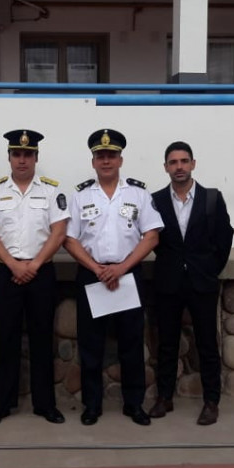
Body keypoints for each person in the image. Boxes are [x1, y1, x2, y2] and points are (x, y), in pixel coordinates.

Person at [64, 129, 163, 426]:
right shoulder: (80, 195)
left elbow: (152, 237)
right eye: (100, 156)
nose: (106, 160)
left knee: (131, 344)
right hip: (92, 275)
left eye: (111, 155)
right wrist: (97, 269)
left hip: (127, 275)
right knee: (90, 346)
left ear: (121, 159)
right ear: (93, 161)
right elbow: (69, 240)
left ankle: (134, 404)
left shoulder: (139, 194)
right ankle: (91, 405)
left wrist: (120, 269)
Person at [0, 129, 70, 426]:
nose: (22, 160)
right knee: (5, 340)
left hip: (41, 272)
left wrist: (34, 265)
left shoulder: (51, 191)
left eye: (28, 154)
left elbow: (59, 233)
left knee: (43, 339)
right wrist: (13, 265)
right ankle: (0, 405)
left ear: (36, 158)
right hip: (7, 272)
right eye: (17, 154)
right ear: (9, 157)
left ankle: (45, 405)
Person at [150, 141, 234, 426]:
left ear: (193, 164)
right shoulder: (156, 200)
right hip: (168, 282)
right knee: (167, 344)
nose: (179, 167)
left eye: (184, 161)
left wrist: (211, 269)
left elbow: (225, 237)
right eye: (173, 162)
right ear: (165, 168)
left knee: (207, 344)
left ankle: (212, 401)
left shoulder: (211, 198)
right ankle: (164, 397)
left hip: (202, 282)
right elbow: (151, 239)